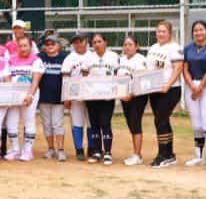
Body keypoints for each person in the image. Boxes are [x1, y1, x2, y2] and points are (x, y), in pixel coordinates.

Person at [145, 20, 185, 168]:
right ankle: (169, 154)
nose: (160, 34)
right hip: (154, 89)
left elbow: (178, 68)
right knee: (161, 120)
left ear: (170, 33)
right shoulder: (153, 47)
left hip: (170, 89)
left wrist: (167, 85)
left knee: (161, 119)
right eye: (158, 31)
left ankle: (162, 154)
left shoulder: (175, 48)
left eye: (163, 31)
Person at [81, 32, 120, 165]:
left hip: (107, 96)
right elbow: (84, 75)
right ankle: (97, 151)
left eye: (99, 41)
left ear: (105, 42)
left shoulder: (113, 56)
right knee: (94, 123)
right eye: (94, 42)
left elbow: (117, 75)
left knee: (105, 122)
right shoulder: (88, 58)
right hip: (92, 96)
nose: (97, 44)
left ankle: (108, 152)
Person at [182, 20, 206, 167]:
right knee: (196, 124)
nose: (198, 33)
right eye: (195, 30)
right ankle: (198, 156)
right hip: (191, 85)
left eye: (201, 30)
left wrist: (200, 87)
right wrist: (192, 86)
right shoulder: (188, 48)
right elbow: (185, 69)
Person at [5, 34, 44, 161]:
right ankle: (15, 149)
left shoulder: (36, 60)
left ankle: (28, 151)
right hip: (13, 95)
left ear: (31, 46)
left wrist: (30, 95)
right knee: (11, 122)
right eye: (20, 46)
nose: (23, 48)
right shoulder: (11, 59)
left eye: (25, 46)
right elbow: (7, 77)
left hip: (29, 94)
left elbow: (36, 80)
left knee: (28, 121)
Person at [117, 35, 149, 166]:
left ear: (137, 46)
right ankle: (137, 154)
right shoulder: (121, 59)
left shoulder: (141, 60)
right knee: (130, 123)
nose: (127, 47)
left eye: (130, 44)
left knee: (135, 123)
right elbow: (118, 78)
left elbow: (139, 80)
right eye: (125, 45)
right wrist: (120, 94)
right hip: (124, 95)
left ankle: (137, 155)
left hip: (137, 96)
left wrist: (131, 94)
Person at [37, 34, 68, 161]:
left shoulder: (64, 58)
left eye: (53, 44)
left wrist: (67, 97)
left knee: (57, 123)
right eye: (47, 44)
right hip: (44, 97)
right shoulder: (40, 57)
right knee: (47, 124)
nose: (50, 46)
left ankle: (60, 150)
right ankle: (51, 149)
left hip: (58, 97)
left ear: (58, 46)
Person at [61, 33, 91, 160]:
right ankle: (79, 149)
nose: (78, 44)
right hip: (75, 94)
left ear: (86, 42)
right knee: (77, 122)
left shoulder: (92, 56)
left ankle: (92, 148)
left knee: (91, 122)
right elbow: (65, 79)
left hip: (91, 94)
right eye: (75, 42)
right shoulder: (69, 58)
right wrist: (66, 97)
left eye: (81, 41)